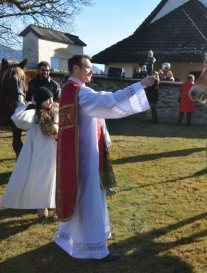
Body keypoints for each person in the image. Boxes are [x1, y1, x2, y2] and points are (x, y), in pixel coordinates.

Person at [54, 54, 155, 261]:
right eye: (88, 67)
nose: (92, 71)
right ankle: (93, 247)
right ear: (75, 69)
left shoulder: (68, 91)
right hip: (86, 157)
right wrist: (139, 86)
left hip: (73, 156)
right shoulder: (80, 93)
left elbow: (97, 116)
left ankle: (70, 237)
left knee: (79, 196)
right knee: (89, 198)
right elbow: (108, 102)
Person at [1, 87, 59, 218]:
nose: (50, 101)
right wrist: (30, 105)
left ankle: (56, 206)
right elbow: (18, 119)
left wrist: (57, 134)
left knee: (54, 176)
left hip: (53, 148)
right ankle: (41, 205)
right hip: (38, 150)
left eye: (51, 98)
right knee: (40, 178)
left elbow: (59, 125)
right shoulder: (34, 112)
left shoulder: (56, 110)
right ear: (39, 101)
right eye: (47, 99)